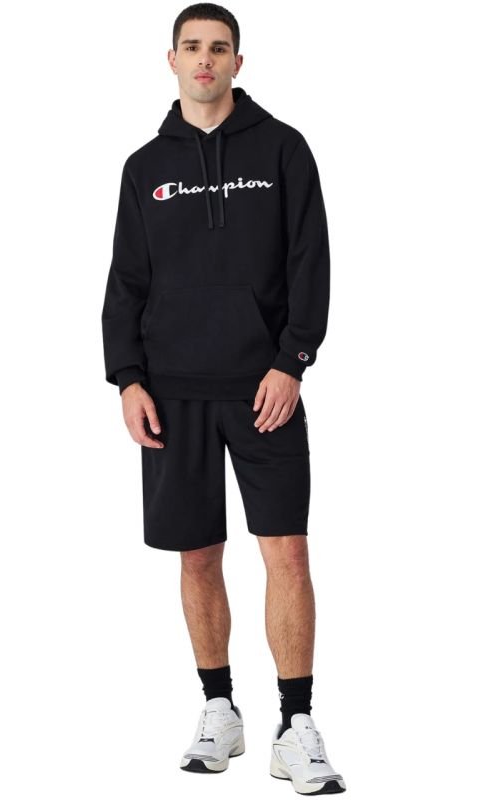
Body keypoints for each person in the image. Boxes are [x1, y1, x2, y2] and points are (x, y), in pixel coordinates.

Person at [101, 3, 345, 793]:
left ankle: (297, 724)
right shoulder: (145, 166)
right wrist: (127, 377)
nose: (205, 59)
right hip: (172, 393)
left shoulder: (283, 149)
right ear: (171, 60)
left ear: (239, 62)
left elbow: (311, 260)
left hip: (264, 387)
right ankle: (219, 708)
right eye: (192, 47)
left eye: (219, 48)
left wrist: (292, 361)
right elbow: (126, 281)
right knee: (198, 555)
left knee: (287, 552)